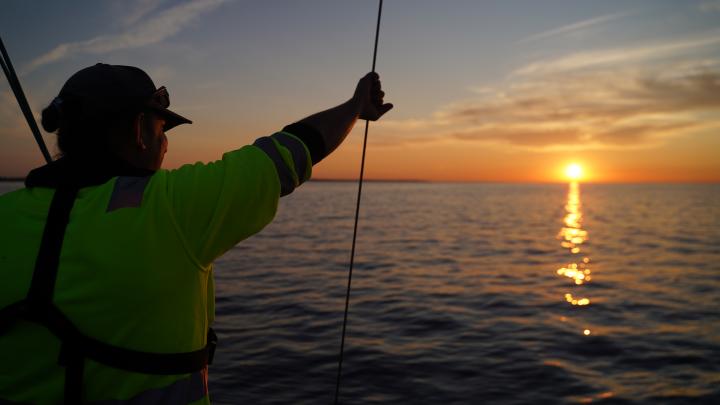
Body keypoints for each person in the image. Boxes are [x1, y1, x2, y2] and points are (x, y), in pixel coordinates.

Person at [0, 63, 392, 404]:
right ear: (140, 130)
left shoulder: (6, 213)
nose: (167, 142)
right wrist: (356, 105)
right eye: (162, 127)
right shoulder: (172, 207)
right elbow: (290, 151)